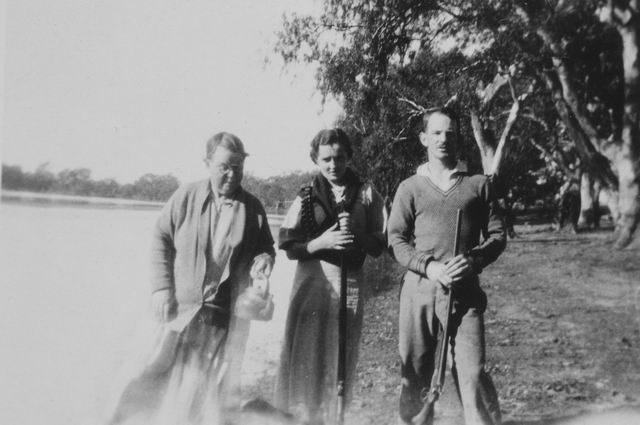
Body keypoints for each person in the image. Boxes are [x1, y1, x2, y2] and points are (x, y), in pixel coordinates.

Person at [106, 132, 275, 425]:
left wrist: (264, 260)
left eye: (238, 167)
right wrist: (161, 288)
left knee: (211, 392)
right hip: (178, 310)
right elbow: (160, 238)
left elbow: (266, 248)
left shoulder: (254, 208)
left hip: (223, 317)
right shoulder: (186, 196)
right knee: (148, 373)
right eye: (224, 167)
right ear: (207, 163)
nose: (232, 174)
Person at [387, 108, 506, 425]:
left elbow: (497, 236)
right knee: (415, 372)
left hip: (464, 290)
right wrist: (429, 267)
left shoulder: (478, 184)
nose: (443, 139)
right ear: (423, 138)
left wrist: (473, 261)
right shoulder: (409, 187)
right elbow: (395, 239)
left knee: (473, 371)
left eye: (450, 133)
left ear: (458, 139)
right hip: (420, 290)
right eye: (436, 133)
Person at [274, 129, 387, 424]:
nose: (333, 165)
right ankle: (300, 417)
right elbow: (288, 245)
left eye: (339, 158)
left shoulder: (366, 193)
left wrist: (357, 234)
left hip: (350, 283)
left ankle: (334, 417)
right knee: (306, 352)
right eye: (326, 159)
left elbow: (380, 244)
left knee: (341, 351)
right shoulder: (306, 195)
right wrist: (320, 243)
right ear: (316, 159)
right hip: (311, 283)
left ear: (349, 157)